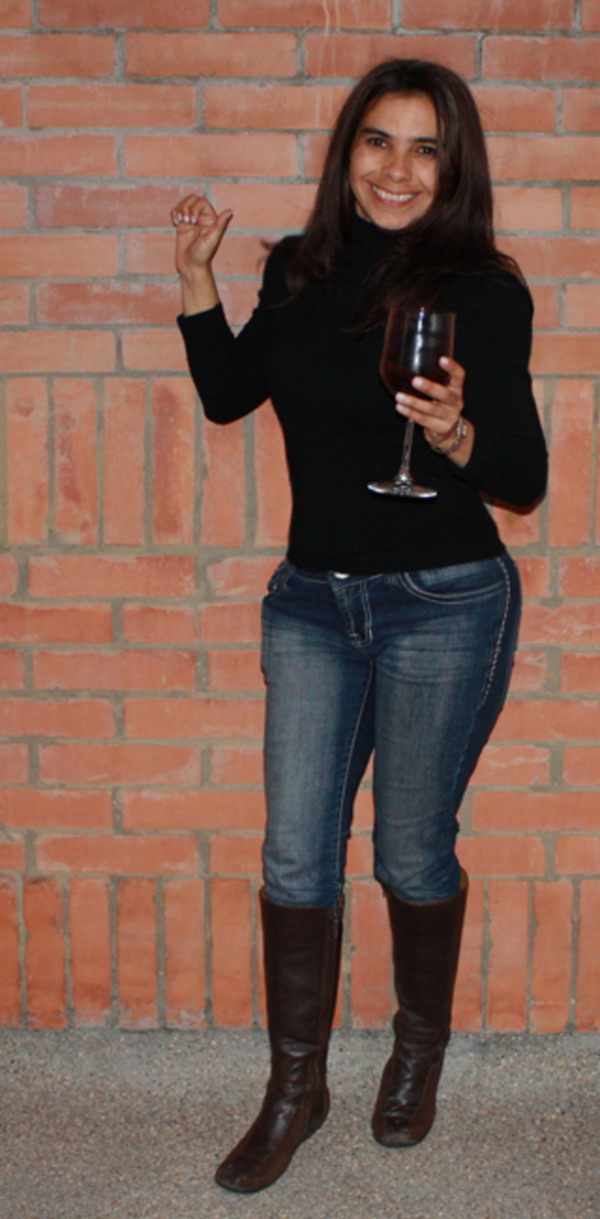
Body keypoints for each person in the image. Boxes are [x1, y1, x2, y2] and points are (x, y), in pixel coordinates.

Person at [172, 58, 547, 1195]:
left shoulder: (485, 290)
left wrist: (456, 432)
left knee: (408, 851)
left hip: (446, 602)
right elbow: (230, 394)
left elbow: (523, 477)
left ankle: (415, 1056)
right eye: (379, 141)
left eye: (426, 148)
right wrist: (197, 277)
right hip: (312, 603)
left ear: (453, 167)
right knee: (296, 853)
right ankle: (298, 1087)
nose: (398, 169)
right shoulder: (299, 269)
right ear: (348, 154)